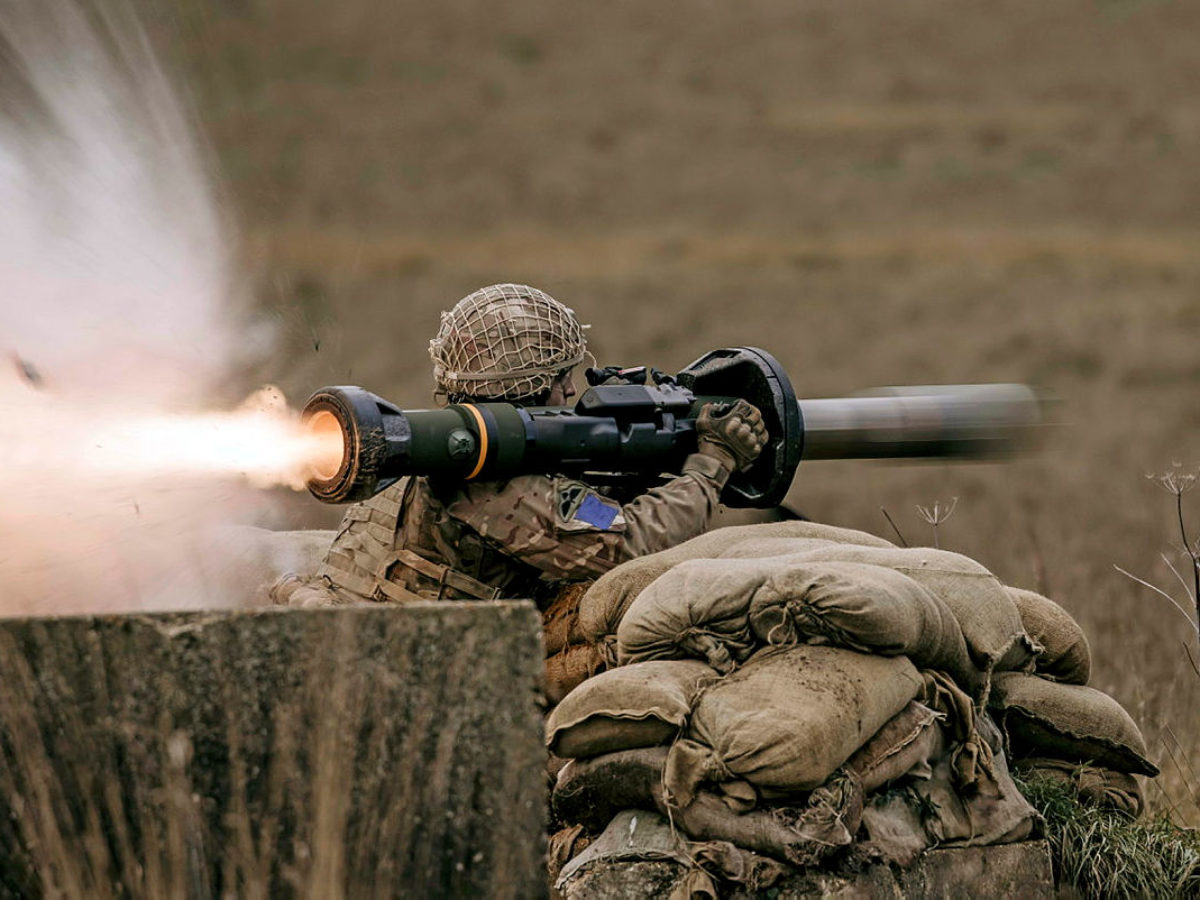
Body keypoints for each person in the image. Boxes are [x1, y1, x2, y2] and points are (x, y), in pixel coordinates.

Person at [281, 283, 767, 608]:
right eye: (561, 378)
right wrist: (713, 463)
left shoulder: (425, 440)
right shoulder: (494, 483)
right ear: (530, 387)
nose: (572, 391)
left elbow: (588, 510)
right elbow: (631, 544)